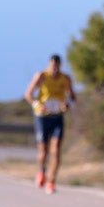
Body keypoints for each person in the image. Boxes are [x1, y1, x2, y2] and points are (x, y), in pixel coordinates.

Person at [24, 54, 76, 194]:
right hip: (42, 117)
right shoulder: (41, 76)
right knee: (44, 151)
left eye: (57, 66)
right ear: (49, 64)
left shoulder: (66, 79)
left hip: (57, 116)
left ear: (60, 65)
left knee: (56, 150)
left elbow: (72, 97)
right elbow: (28, 95)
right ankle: (41, 171)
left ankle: (51, 181)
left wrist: (67, 104)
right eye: (52, 66)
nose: (54, 68)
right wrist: (37, 105)